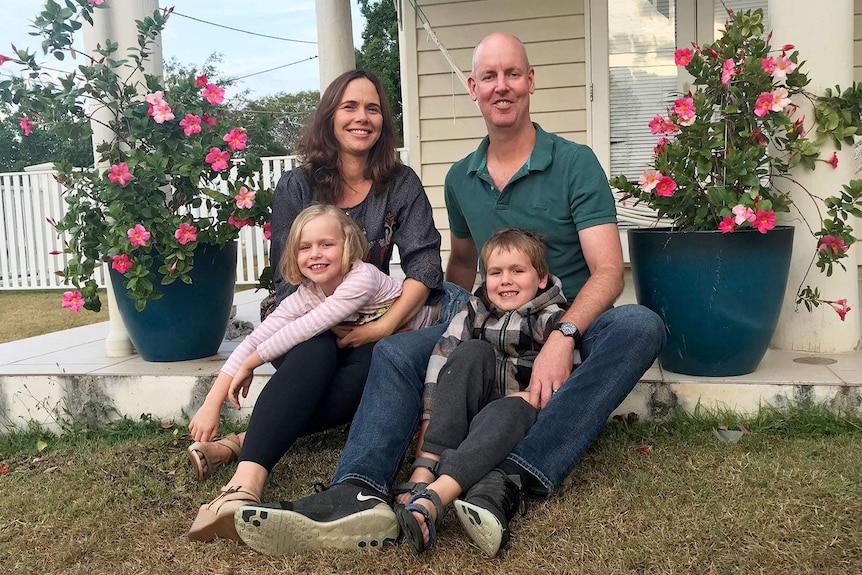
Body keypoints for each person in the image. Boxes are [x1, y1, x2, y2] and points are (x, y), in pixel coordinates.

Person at [233, 33, 665, 556]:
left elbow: (607, 272)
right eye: (489, 77)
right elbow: (459, 267)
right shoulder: (463, 177)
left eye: (512, 74)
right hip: (487, 324)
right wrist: (444, 337)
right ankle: (359, 488)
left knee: (640, 325)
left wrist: (564, 336)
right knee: (393, 350)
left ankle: (511, 476)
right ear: (473, 88)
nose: (501, 87)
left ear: (530, 81)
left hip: (568, 320)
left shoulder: (575, 163)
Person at [186, 69, 470, 543]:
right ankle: (243, 485)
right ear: (329, 117)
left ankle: (240, 443)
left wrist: (386, 328)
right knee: (315, 349)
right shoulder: (298, 186)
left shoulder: (398, 183)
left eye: (373, 108)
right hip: (310, 314)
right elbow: (288, 284)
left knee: (378, 367)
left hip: (371, 321)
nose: (363, 117)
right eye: (350, 107)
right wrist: (233, 375)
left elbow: (424, 269)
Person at [395, 228, 567, 555]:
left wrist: (535, 398)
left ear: (541, 278)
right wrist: (429, 418)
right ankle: (426, 463)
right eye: (496, 273)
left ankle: (434, 499)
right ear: (484, 277)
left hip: (514, 421)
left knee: (514, 407)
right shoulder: (475, 310)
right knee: (471, 352)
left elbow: (564, 378)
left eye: (518, 271)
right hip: (468, 417)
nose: (506, 281)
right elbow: (442, 360)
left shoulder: (552, 318)